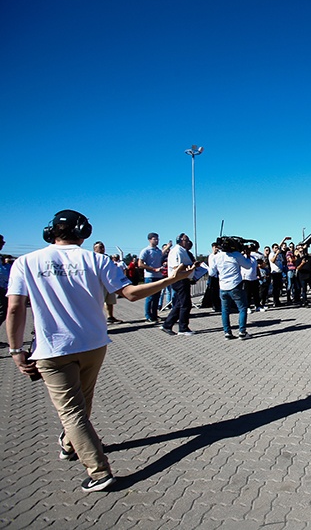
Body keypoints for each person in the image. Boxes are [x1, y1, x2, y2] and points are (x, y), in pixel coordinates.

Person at [5, 209, 193, 493]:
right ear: (84, 232)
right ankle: (70, 444)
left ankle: (99, 471)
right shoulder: (97, 260)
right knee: (82, 403)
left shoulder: (26, 262)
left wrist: (16, 349)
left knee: (72, 411)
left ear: (50, 232)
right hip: (93, 344)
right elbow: (130, 294)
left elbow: (15, 308)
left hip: (54, 348)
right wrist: (169, 280)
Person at [208, 241, 252, 340]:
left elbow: (211, 273)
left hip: (223, 287)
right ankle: (242, 332)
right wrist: (247, 256)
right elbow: (248, 266)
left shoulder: (217, 257)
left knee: (225, 310)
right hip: (235, 285)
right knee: (242, 308)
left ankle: (227, 332)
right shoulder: (236, 255)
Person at [161, 233, 195, 336]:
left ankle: (167, 324)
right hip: (179, 280)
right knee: (185, 304)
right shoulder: (176, 251)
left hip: (184, 279)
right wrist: (189, 267)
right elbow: (176, 266)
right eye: (186, 240)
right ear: (180, 241)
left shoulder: (183, 251)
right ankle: (183, 328)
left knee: (180, 304)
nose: (188, 242)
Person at [92, 241, 121, 323]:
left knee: (110, 301)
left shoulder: (107, 258)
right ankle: (96, 320)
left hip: (109, 282)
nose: (102, 249)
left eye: (103, 247)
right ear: (95, 249)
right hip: (99, 283)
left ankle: (110, 317)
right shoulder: (93, 259)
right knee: (100, 302)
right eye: (100, 247)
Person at [137, 233, 163, 323]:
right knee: (150, 297)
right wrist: (153, 269)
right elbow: (140, 264)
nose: (157, 241)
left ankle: (154, 315)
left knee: (157, 297)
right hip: (150, 276)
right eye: (154, 239)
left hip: (159, 276)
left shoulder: (158, 251)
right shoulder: (146, 251)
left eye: (157, 239)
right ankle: (148, 316)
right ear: (149, 240)